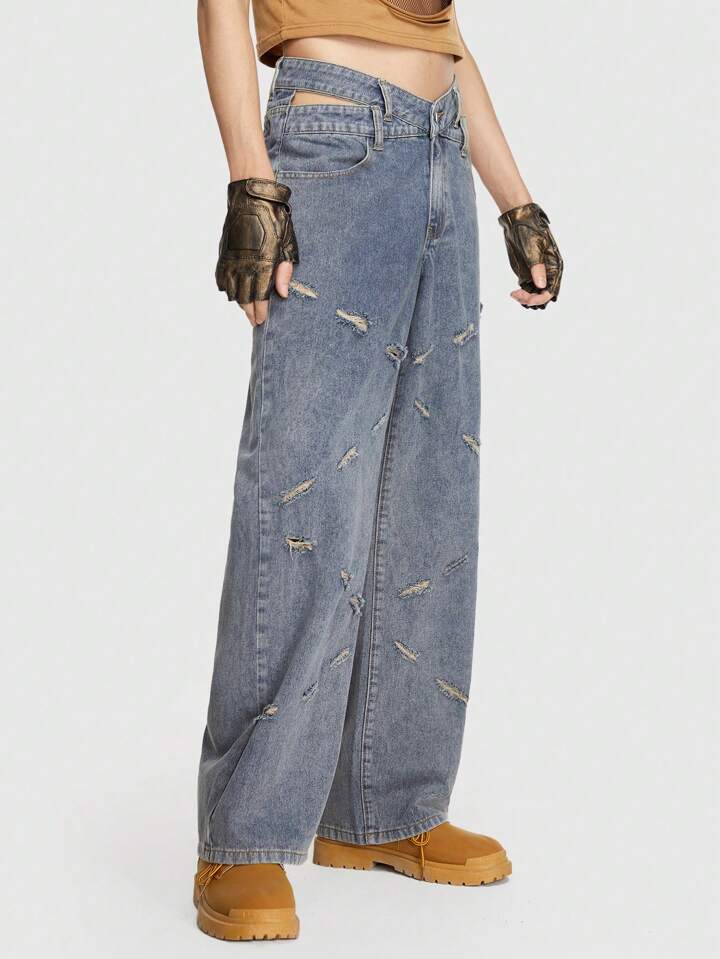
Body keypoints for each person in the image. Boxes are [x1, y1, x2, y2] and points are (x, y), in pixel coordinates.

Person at [194, 0, 562, 941]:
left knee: (428, 494)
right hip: (334, 141)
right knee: (303, 491)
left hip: (440, 146)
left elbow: (443, 37)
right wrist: (251, 181)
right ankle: (242, 834)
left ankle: (382, 807)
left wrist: (515, 200)